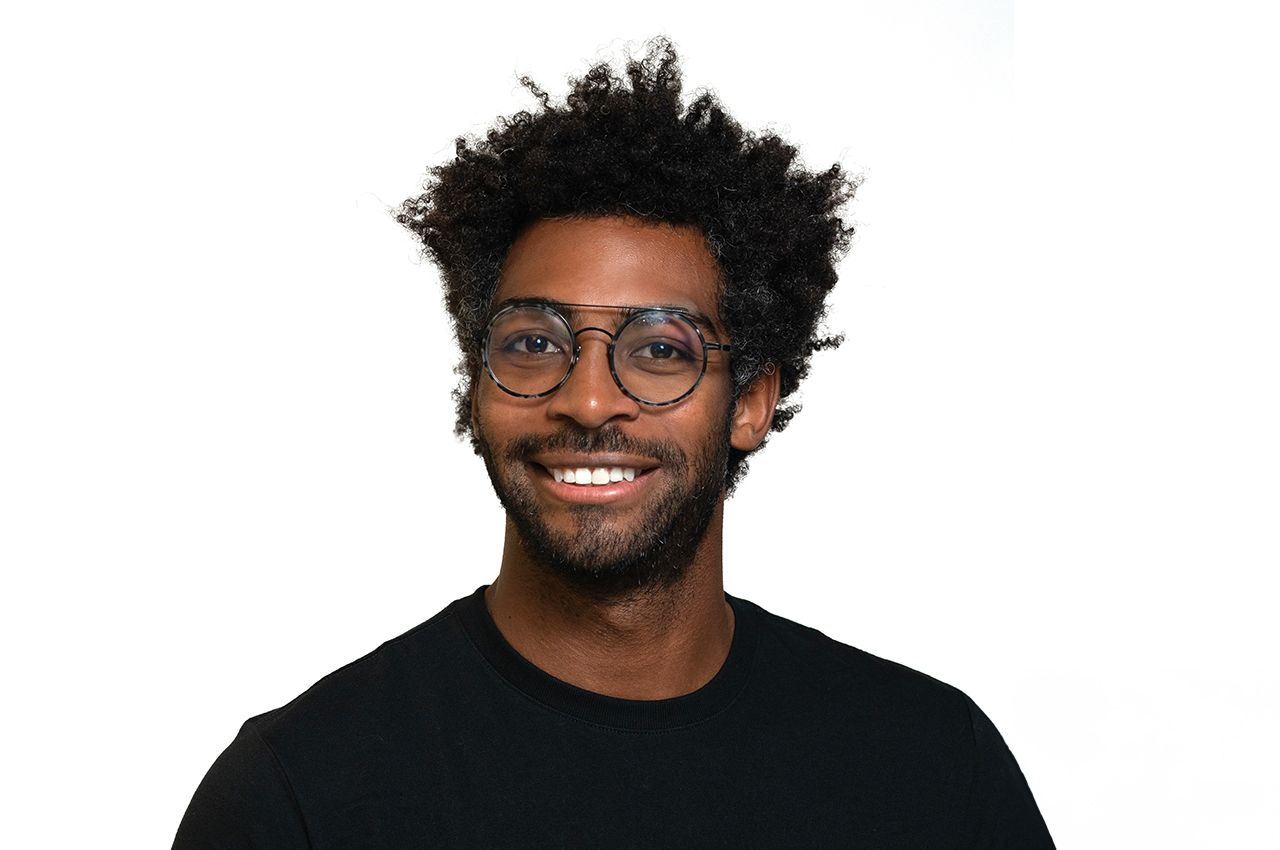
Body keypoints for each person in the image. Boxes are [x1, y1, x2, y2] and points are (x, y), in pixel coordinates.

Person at [173, 38, 1054, 848]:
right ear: (477, 388)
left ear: (749, 400)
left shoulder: (935, 773)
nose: (588, 397)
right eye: (533, 342)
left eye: (661, 350)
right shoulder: (299, 796)